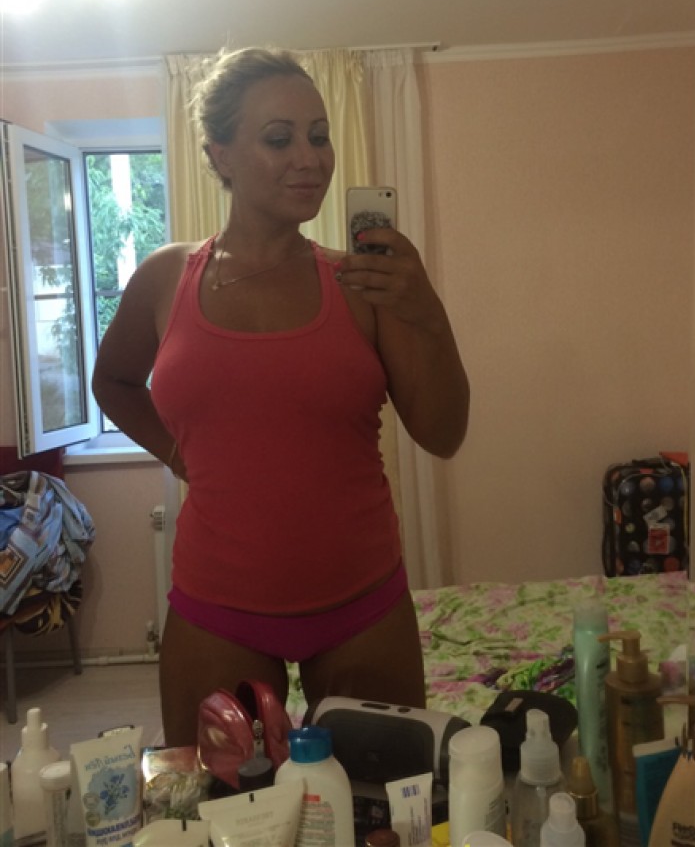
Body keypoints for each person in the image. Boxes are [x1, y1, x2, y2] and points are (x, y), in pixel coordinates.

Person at [92, 47, 469, 746]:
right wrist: (178, 455)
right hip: (217, 606)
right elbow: (112, 382)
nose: (310, 158)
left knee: (383, 801)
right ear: (221, 155)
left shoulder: (362, 283)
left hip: (363, 603)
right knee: (222, 800)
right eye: (279, 138)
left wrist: (427, 313)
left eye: (319, 136)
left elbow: (443, 434)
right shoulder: (166, 278)